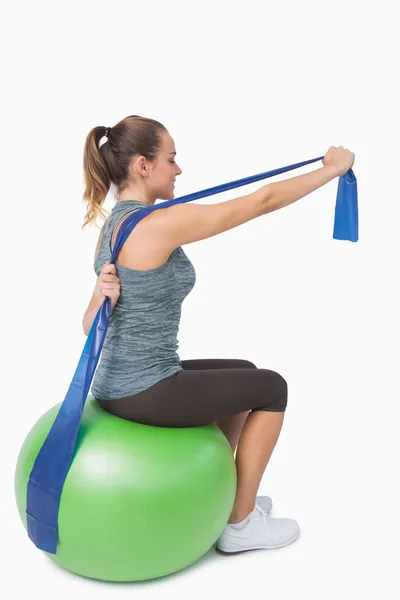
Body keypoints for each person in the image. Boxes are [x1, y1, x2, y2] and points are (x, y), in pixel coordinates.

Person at [81, 114, 355, 555]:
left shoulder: (112, 229)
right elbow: (259, 202)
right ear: (142, 166)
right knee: (272, 388)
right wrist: (331, 169)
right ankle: (240, 524)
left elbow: (91, 323)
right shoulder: (157, 224)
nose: (179, 170)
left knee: (245, 374)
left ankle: (223, 494)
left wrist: (96, 299)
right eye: (171, 159)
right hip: (145, 389)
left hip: (115, 385)